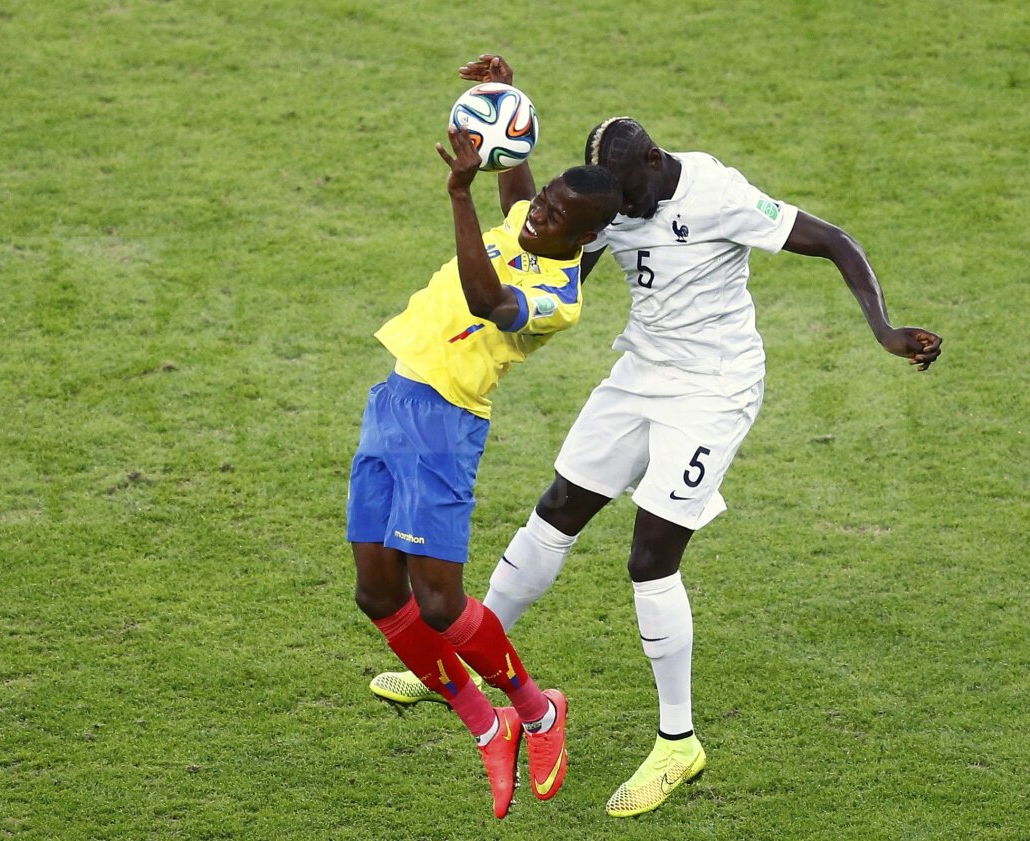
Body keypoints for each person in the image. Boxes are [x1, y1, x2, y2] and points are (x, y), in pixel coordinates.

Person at [368, 54, 944, 819]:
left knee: (650, 558)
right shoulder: (611, 202)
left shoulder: (717, 194)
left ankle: (679, 741)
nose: (618, 216)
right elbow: (541, 233)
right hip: (640, 373)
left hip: (712, 390)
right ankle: (467, 656)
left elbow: (834, 239)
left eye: (623, 198)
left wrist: (885, 329)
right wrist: (505, 124)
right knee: (557, 510)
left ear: (651, 160)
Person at [348, 105, 623, 819]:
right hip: (393, 401)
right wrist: (505, 101)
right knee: (377, 594)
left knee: (440, 603)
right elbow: (518, 188)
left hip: (445, 425)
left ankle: (539, 711)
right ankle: (488, 724)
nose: (536, 215)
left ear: (583, 238)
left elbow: (484, 297)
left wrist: (459, 195)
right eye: (543, 199)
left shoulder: (557, 298)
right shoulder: (531, 219)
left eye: (554, 214)